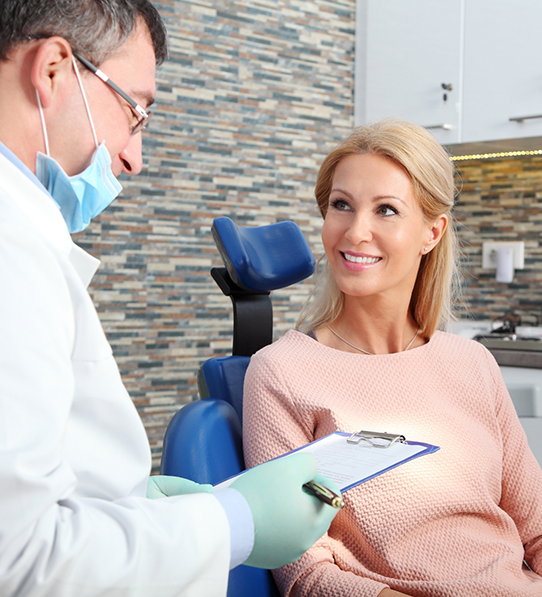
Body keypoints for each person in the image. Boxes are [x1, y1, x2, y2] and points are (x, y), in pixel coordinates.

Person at [0, 1, 341, 595]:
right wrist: (236, 521)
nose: (134, 156)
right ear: (52, 70)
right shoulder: (12, 246)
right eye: (135, 111)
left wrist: (135, 505)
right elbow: (24, 560)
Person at [243, 118, 542, 596]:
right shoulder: (282, 372)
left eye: (386, 210)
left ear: (431, 232)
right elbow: (305, 570)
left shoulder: (473, 363)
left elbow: (536, 527)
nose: (355, 231)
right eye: (342, 205)